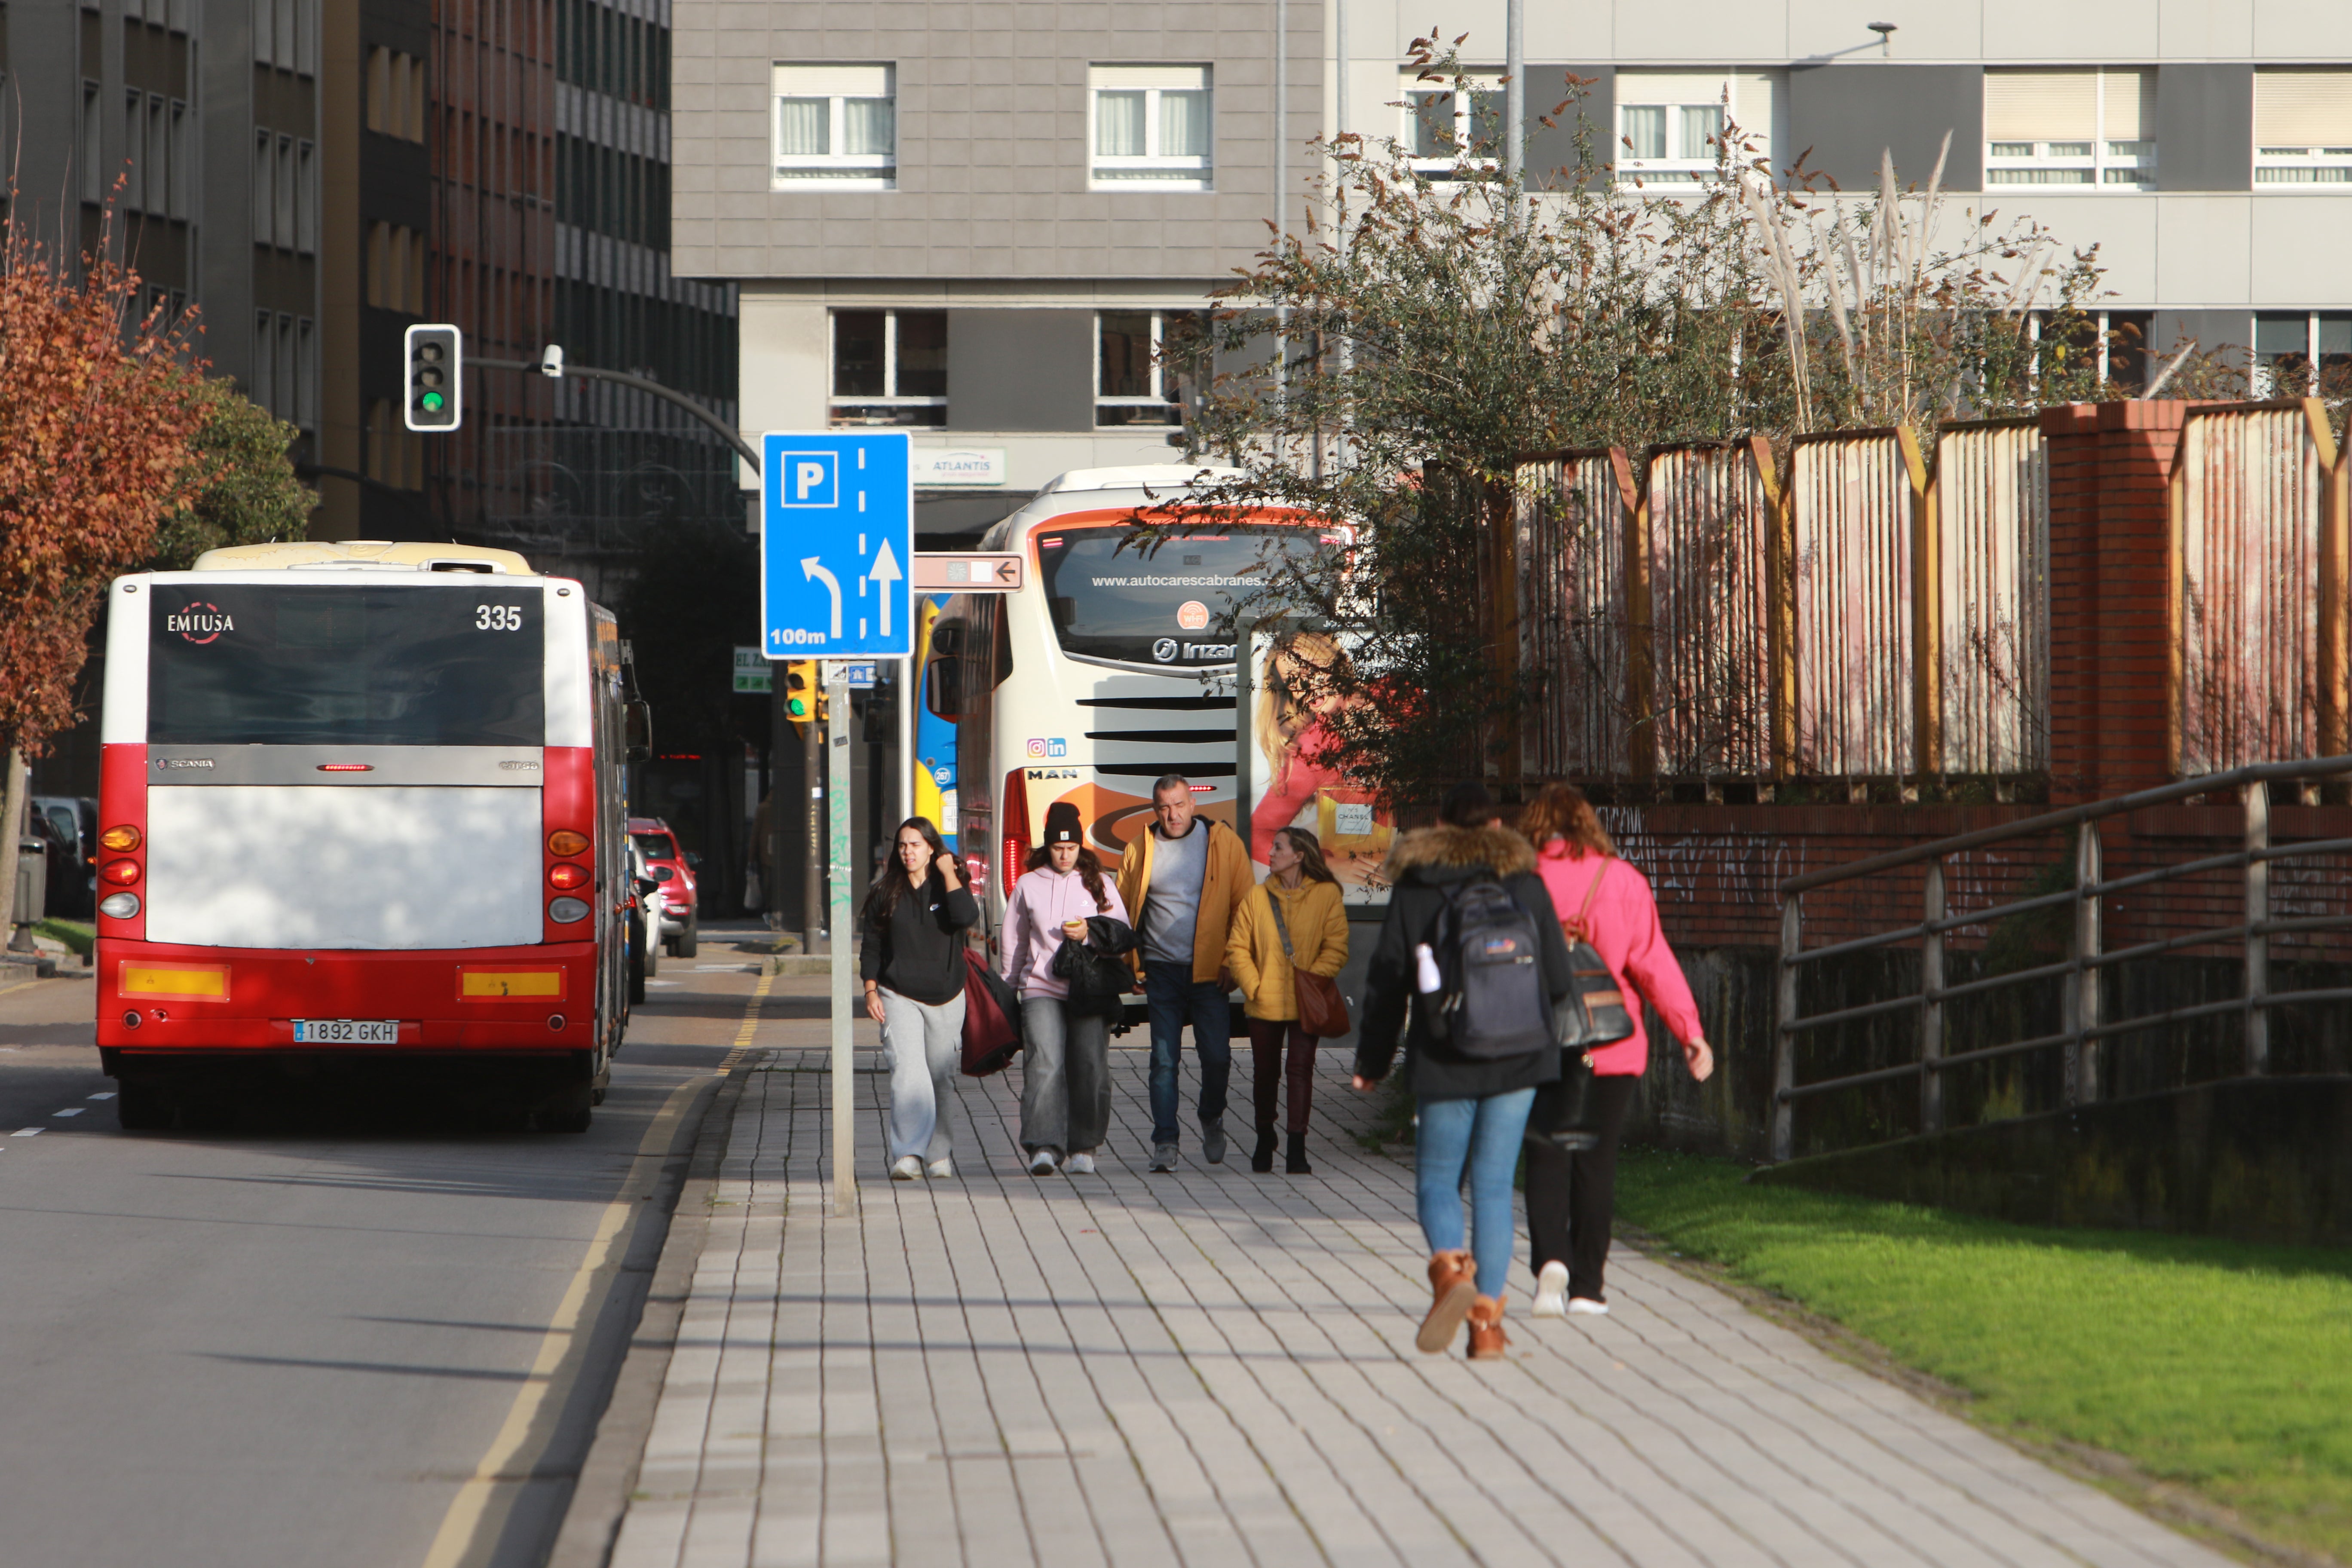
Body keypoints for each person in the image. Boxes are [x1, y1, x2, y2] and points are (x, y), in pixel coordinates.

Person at [1353, 781, 1572, 1360]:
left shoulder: (1417, 887)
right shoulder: (1527, 883)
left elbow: (1387, 980)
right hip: (1520, 1058)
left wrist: (1371, 1063)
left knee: (1438, 1181)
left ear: (1441, 828)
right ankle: (1488, 1327)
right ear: (1498, 829)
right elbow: (1557, 981)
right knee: (1496, 1187)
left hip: (1446, 1055)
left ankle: (1451, 1275)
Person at [1518, 783, 1714, 1319]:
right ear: (1587, 824)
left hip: (1541, 1043)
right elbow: (1654, 964)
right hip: (1613, 1045)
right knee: (1596, 1165)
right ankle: (1588, 1287)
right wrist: (1690, 1031)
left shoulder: (1518, 881)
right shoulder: (1622, 880)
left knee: (1546, 1154)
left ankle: (1549, 1263)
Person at [1115, 773, 1253, 1171]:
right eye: (1164, 807)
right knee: (1163, 1060)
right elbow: (1122, 912)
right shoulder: (1139, 849)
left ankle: (1211, 1115)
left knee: (1218, 1057)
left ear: (1193, 804)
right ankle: (1166, 1141)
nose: (1172, 815)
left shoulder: (1224, 843)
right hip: (1161, 971)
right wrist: (1129, 967)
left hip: (1211, 973)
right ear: (1154, 809)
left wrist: (1232, 963)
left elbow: (1245, 907)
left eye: (1179, 805)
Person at [1001, 801, 1132, 1176]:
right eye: (1058, 848)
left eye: (1071, 848)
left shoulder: (1099, 882)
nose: (1064, 855)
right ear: (1047, 847)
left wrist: (1090, 932)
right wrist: (1010, 990)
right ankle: (1043, 1145)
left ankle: (1084, 1146)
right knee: (1044, 1065)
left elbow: (1121, 932)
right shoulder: (1027, 885)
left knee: (1090, 1066)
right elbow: (1015, 940)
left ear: (1080, 847)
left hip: (1088, 990)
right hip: (1040, 988)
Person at [861, 817, 980, 1180]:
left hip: (946, 995)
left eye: (915, 844)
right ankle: (908, 1154)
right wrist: (870, 989)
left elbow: (966, 917)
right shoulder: (885, 892)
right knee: (908, 1073)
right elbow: (871, 947)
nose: (908, 851)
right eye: (903, 845)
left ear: (932, 848)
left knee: (940, 1076)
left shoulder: (949, 888)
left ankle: (938, 1153)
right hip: (898, 995)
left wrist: (948, 872)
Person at [1225, 826, 1349, 1173]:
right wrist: (1255, 987)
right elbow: (1238, 948)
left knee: (1300, 1072)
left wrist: (1311, 981)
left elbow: (1337, 947)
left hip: (1306, 1002)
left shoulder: (1327, 896)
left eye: (1278, 847)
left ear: (1299, 855)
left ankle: (1297, 1147)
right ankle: (1266, 1137)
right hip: (1265, 1003)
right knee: (1265, 1074)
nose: (1271, 853)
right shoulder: (1256, 898)